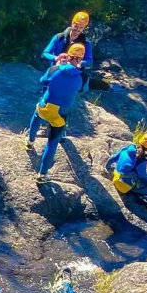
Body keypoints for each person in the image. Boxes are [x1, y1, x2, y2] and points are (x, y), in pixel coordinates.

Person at [27, 45, 86, 183]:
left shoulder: (54, 69)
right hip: (60, 114)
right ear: (81, 59)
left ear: (68, 55)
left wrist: (57, 64)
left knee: (36, 115)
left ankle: (30, 141)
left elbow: (43, 81)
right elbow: (83, 90)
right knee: (52, 144)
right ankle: (42, 175)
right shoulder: (83, 77)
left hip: (45, 107)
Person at [41, 12, 93, 92]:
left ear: (84, 27)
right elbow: (44, 54)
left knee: (84, 85)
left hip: (74, 73)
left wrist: (77, 61)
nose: (78, 30)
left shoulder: (86, 43)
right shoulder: (59, 37)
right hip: (57, 70)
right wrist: (56, 58)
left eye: (81, 27)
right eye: (76, 26)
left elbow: (89, 62)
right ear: (72, 23)